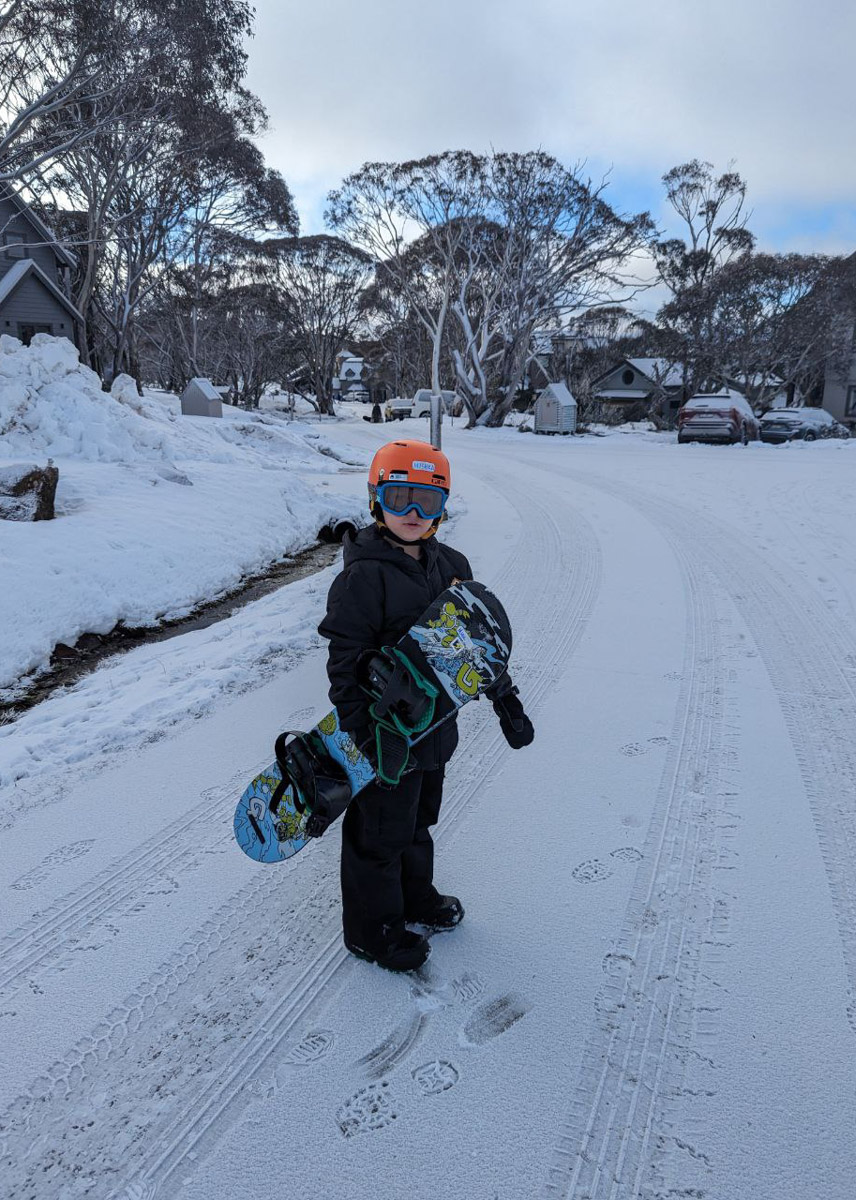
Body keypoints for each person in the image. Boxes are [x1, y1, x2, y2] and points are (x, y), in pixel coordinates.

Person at [318, 439, 534, 972]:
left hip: (436, 730)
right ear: (376, 500)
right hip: (383, 734)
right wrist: (364, 737)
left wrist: (504, 698)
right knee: (378, 836)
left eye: (428, 503)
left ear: (443, 507)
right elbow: (345, 667)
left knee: (418, 822)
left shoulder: (453, 565)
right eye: (400, 499)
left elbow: (473, 643)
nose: (413, 514)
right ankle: (374, 932)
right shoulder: (361, 577)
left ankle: (415, 899)